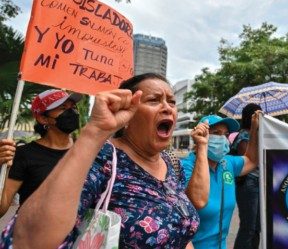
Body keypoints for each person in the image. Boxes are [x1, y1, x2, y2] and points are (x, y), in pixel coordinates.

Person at [0, 73, 207, 248]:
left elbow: (183, 230)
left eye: (171, 101)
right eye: (153, 100)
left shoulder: (171, 163)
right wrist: (94, 132)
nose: (167, 107)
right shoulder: (102, 160)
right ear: (127, 115)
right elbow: (27, 240)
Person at [182, 113, 260, 249]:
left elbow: (252, 160)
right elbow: (198, 201)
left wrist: (254, 129)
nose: (222, 138)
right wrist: (202, 146)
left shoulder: (226, 163)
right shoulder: (185, 166)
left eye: (225, 134)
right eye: (216, 133)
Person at [0, 89, 82, 217]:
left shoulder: (86, 152)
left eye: (73, 107)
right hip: (31, 232)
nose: (72, 112)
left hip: (78, 234)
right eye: (63, 108)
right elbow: (2, 208)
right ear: (43, 118)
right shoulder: (23, 155)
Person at [231, 103, 262, 249]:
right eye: (257, 115)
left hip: (259, 182)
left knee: (257, 227)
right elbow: (247, 160)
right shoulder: (244, 135)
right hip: (248, 183)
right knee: (248, 227)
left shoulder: (257, 133)